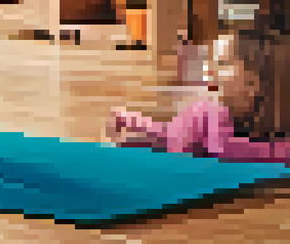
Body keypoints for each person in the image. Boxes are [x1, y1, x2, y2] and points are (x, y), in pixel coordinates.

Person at [108, 20, 290, 163]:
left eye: (222, 64)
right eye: (209, 62)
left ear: (252, 83)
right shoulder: (208, 112)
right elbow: (174, 137)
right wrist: (135, 124)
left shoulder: (274, 122)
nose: (209, 71)